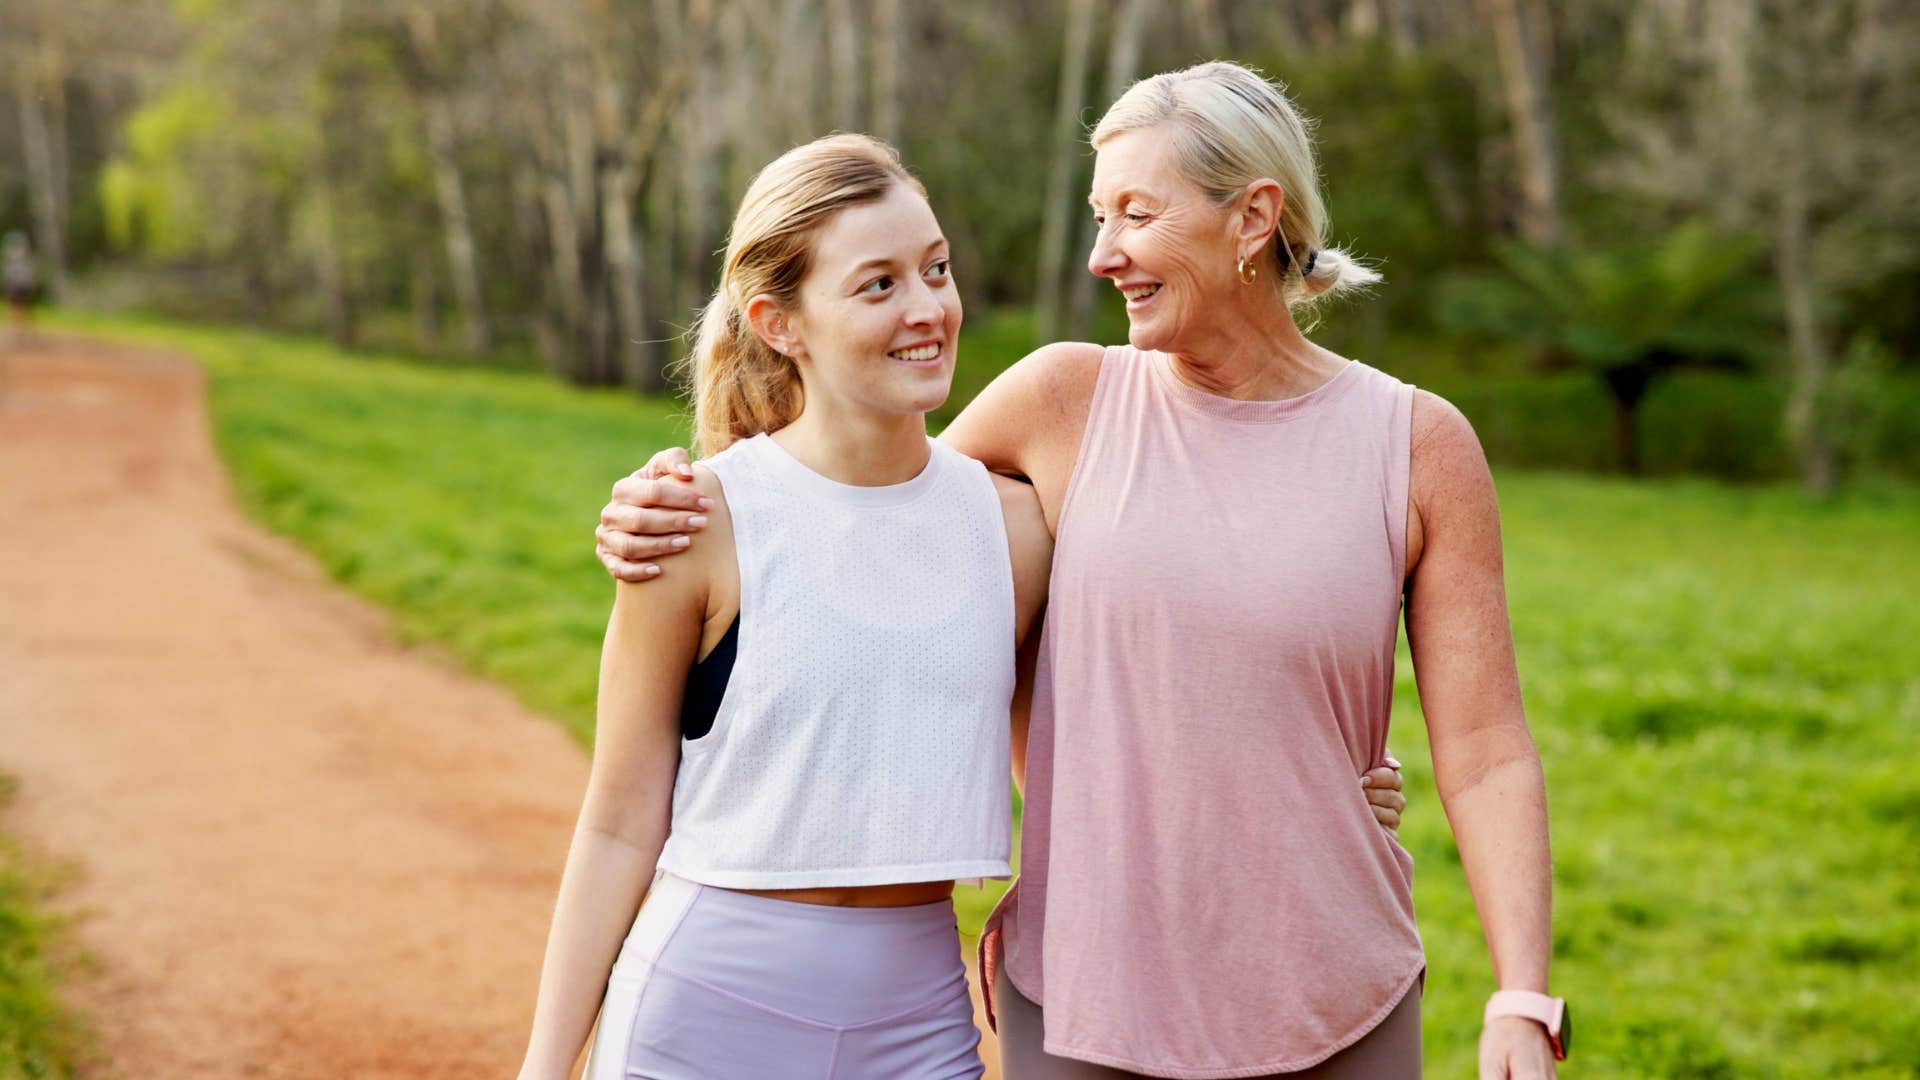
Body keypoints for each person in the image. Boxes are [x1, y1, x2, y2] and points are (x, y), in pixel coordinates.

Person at [594, 63, 1560, 1080]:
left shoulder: (1417, 445)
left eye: (1135, 215)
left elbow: (1489, 747)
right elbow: (855, 532)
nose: (1103, 256)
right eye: (1100, 217)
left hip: (1336, 990)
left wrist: (1521, 997)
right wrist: (681, 507)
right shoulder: (1063, 401)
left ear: (1253, 218)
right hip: (1084, 991)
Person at [4, 232, 37, 333]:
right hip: (16, 285)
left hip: (21, 285)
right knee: (16, 306)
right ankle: (18, 326)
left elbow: (28, 273)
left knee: (21, 306)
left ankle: (22, 327)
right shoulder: (14, 258)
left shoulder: (25, 258)